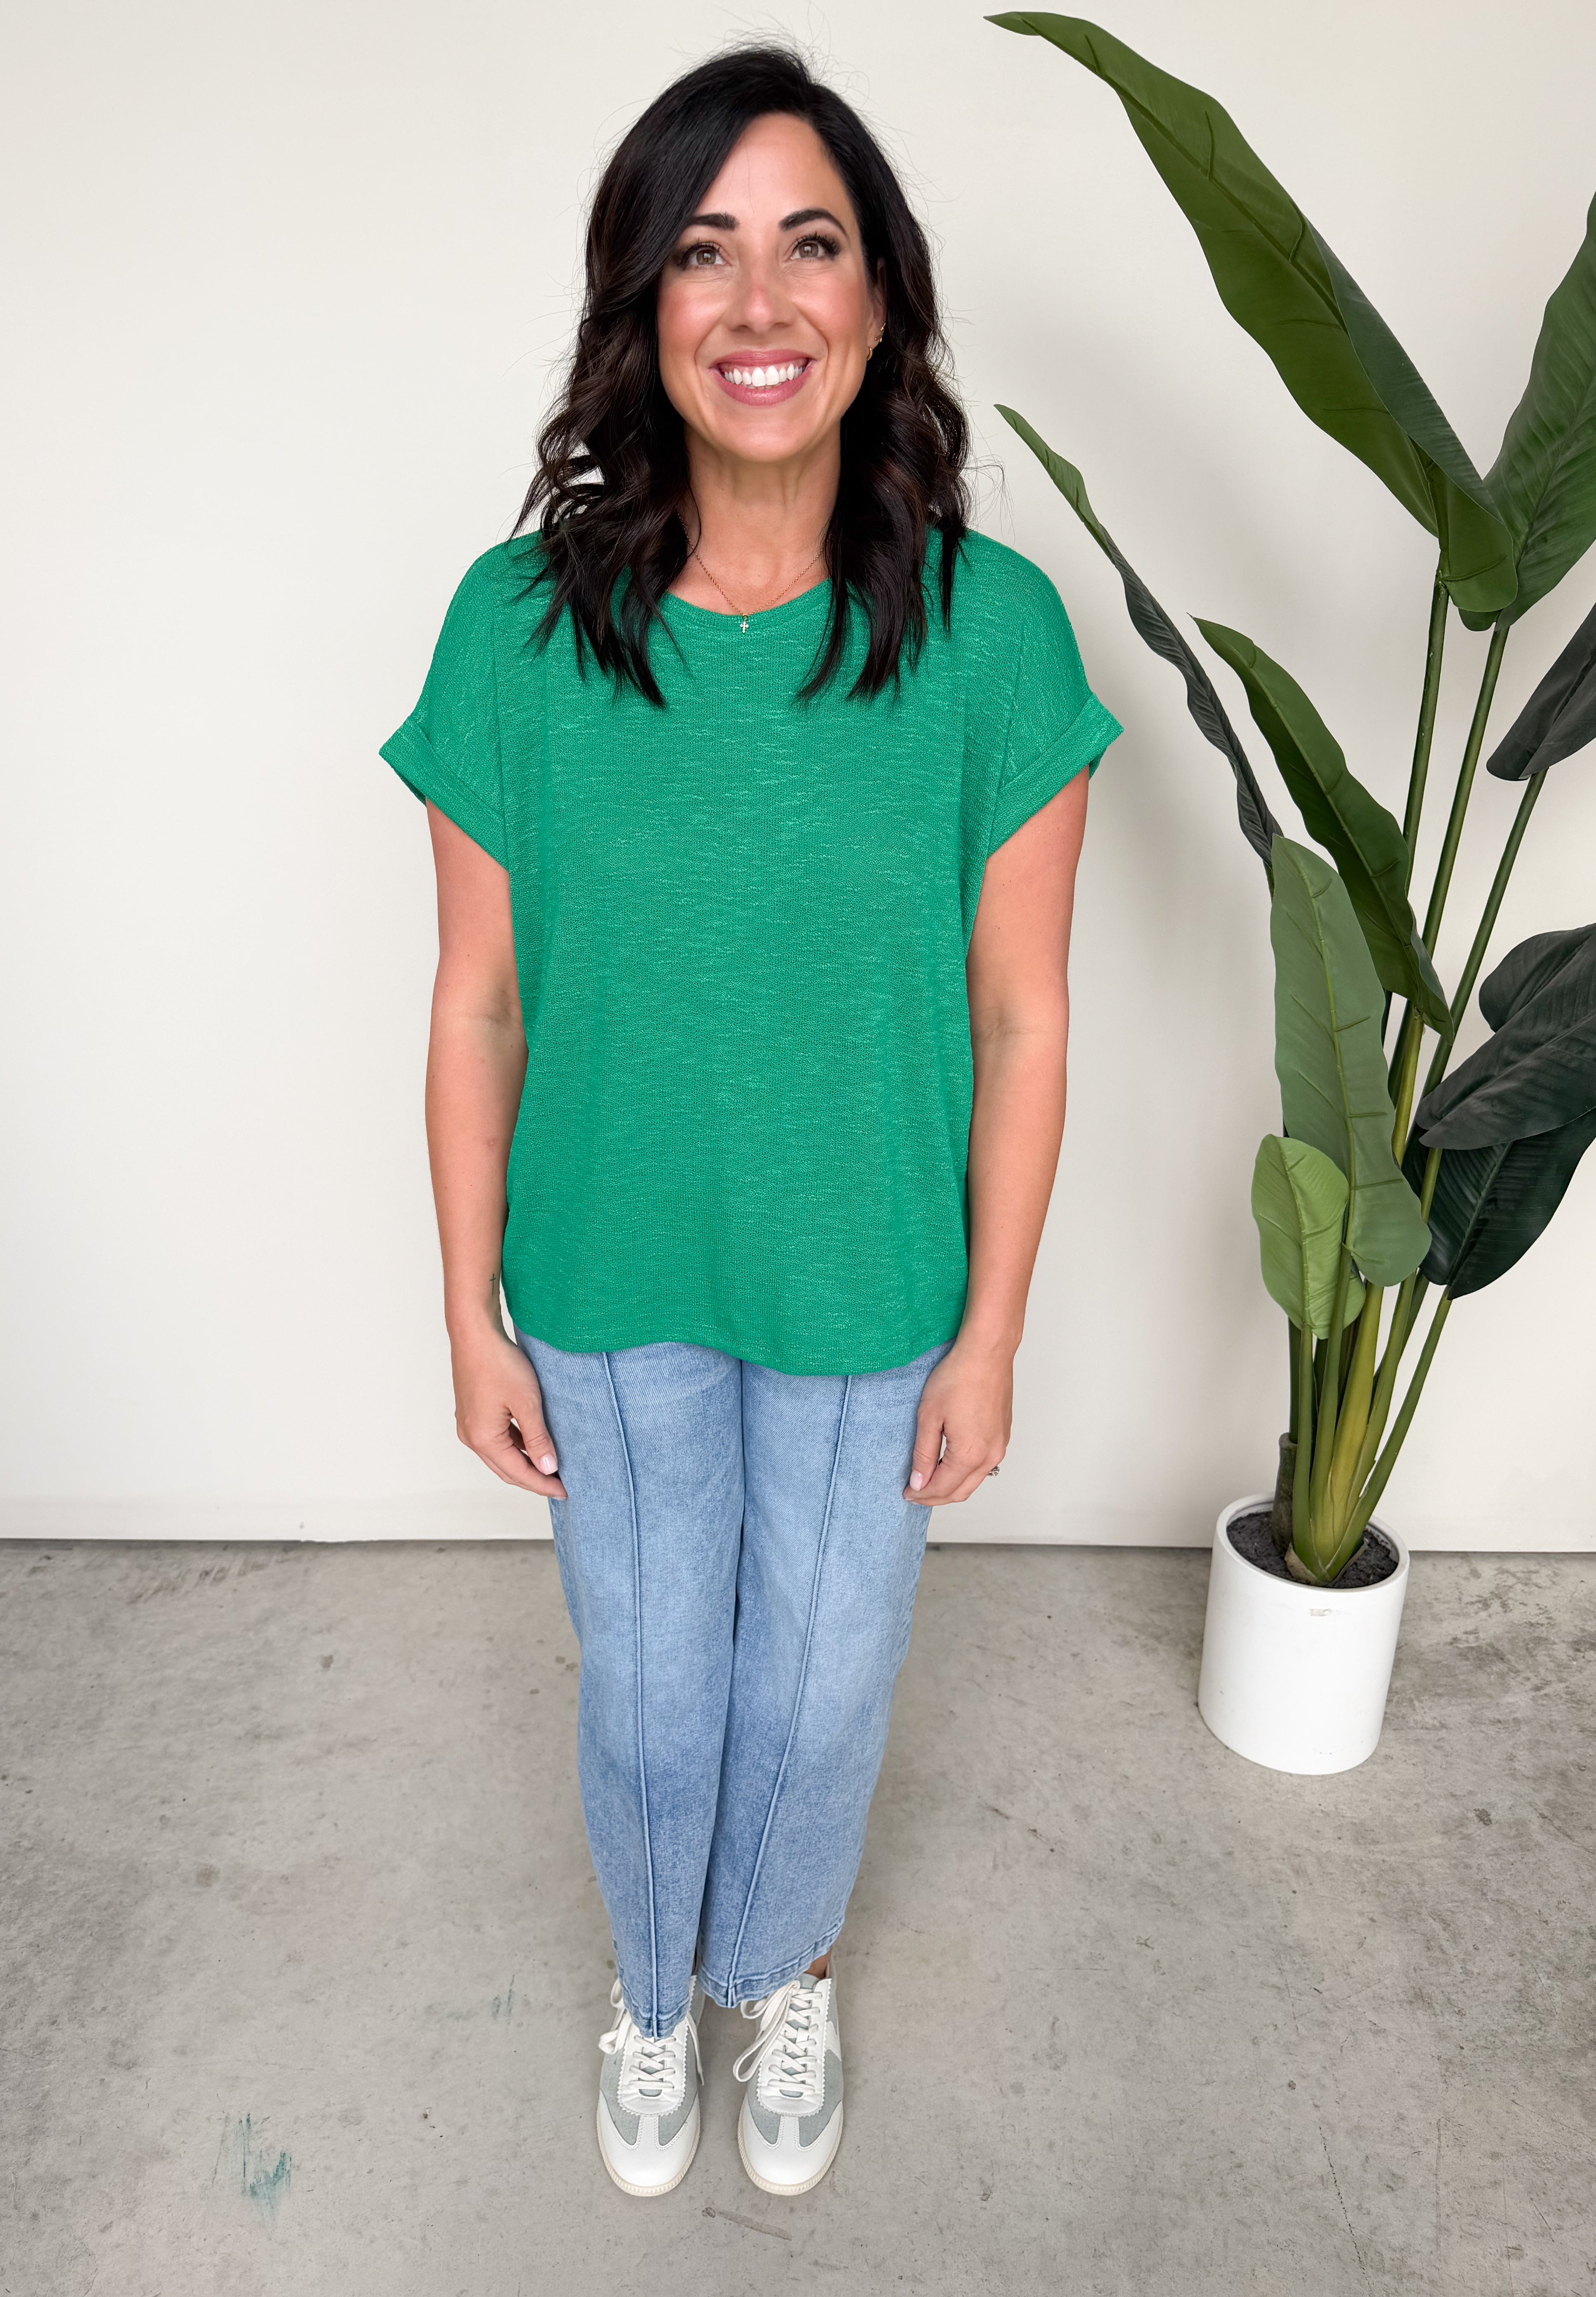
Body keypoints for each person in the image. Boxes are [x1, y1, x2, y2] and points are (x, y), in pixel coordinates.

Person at [381, 43, 1120, 2201]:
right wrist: (466, 1309)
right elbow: (476, 998)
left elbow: (1025, 1015)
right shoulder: (518, 628)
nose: (761, 300)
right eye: (704, 253)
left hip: (871, 1287)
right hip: (604, 1278)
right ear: (644, 305)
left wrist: (991, 1331)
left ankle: (778, 1963)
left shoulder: (991, 636)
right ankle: (649, 1986)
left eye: (811, 244)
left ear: (879, 301)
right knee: (648, 1697)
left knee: (815, 1693)